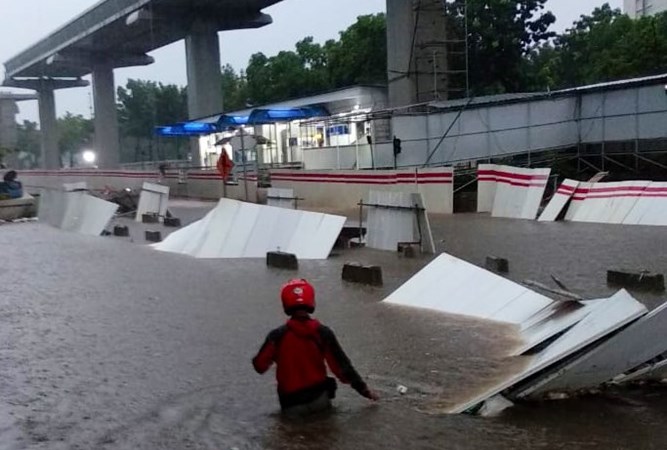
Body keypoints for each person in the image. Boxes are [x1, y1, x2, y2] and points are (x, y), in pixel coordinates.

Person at [252, 279, 378, 415]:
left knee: (291, 435)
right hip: (320, 400)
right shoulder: (323, 333)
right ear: (311, 300)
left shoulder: (277, 336)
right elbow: (342, 368)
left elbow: (259, 366)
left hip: (291, 404)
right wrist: (365, 391)